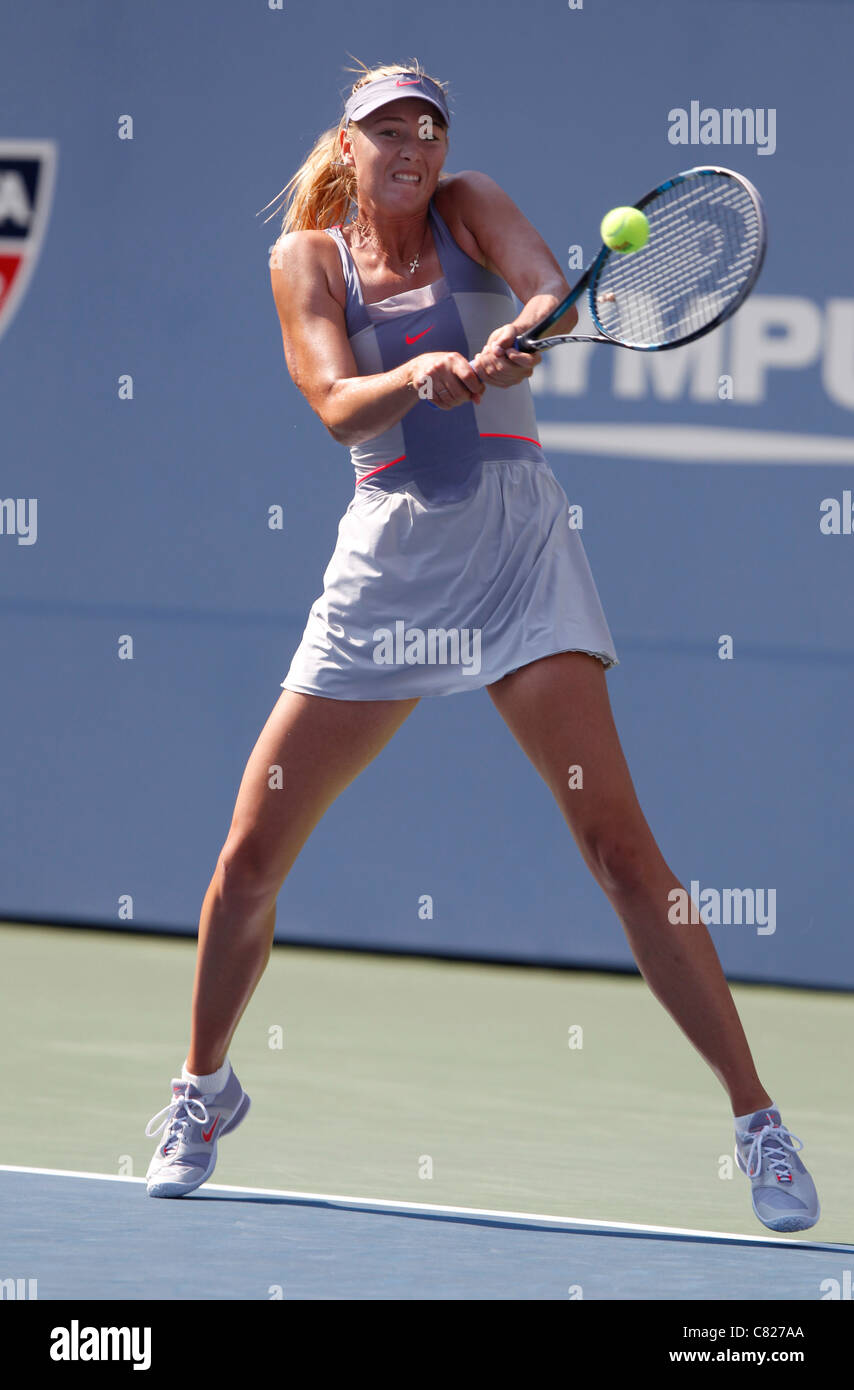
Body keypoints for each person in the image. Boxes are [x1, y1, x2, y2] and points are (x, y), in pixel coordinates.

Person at [144, 60, 819, 1234]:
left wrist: (518, 335)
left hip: (517, 553)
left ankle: (756, 1119)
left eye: (426, 125)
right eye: (384, 126)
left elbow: (548, 285)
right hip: (387, 566)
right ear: (345, 145)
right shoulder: (306, 261)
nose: (408, 141)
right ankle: (200, 1088)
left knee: (617, 848)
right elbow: (329, 400)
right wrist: (414, 373)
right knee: (251, 851)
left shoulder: (471, 204)